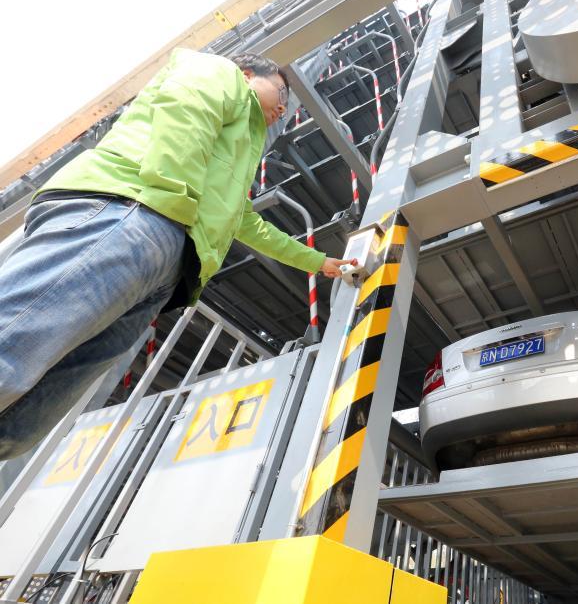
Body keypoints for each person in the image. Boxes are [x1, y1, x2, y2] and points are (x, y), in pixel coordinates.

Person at [0, 49, 355, 459]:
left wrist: (317, 262)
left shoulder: (239, 153)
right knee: (14, 346)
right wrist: (173, 199)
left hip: (165, 255)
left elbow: (246, 223)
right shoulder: (217, 71)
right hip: (133, 209)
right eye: (281, 93)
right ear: (247, 73)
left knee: (25, 422)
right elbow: (186, 111)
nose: (282, 107)